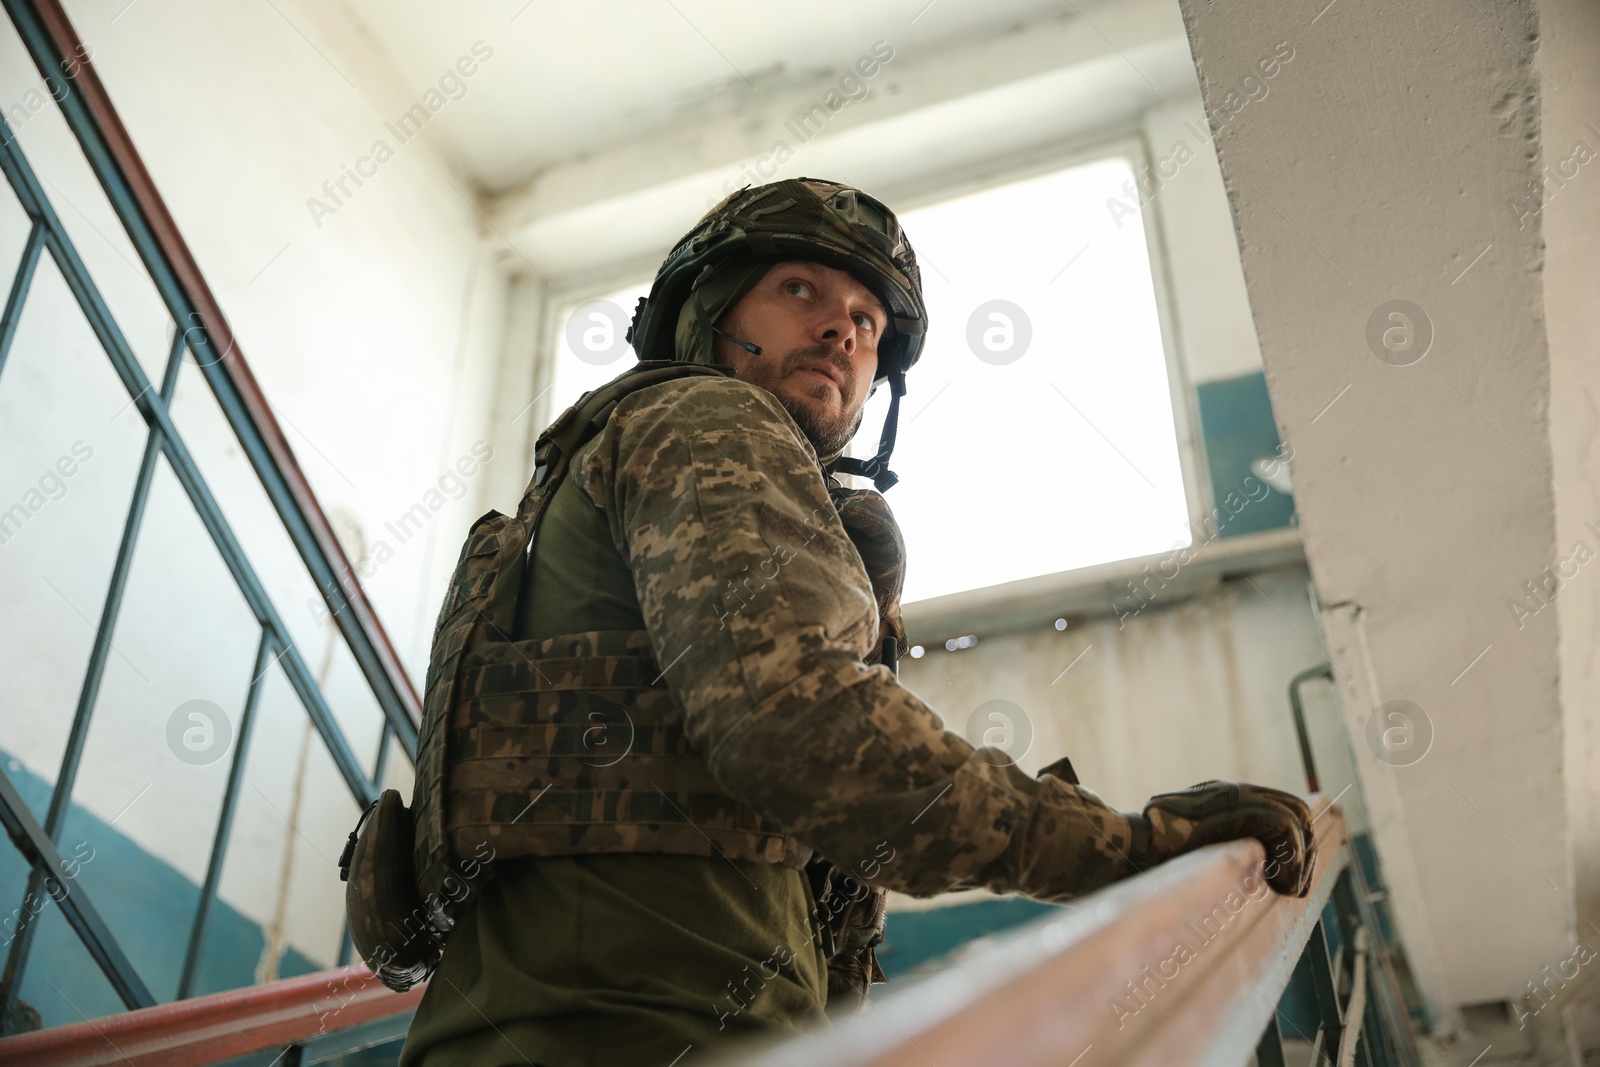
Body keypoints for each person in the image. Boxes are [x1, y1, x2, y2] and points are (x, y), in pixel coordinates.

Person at [395, 178, 1316, 1067]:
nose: (841, 326)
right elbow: (806, 727)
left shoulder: (607, 462)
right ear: (708, 310)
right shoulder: (709, 419)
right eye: (800, 290)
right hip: (640, 1031)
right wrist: (1130, 847)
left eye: (867, 321)